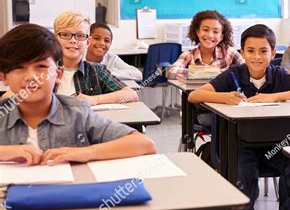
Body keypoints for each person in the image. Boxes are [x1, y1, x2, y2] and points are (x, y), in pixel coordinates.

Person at [189, 24, 290, 210]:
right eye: (250, 51)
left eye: (263, 51)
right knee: (244, 170)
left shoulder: (279, 75)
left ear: (273, 53)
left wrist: (274, 97)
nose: (257, 57)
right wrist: (225, 97)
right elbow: (195, 95)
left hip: (276, 149)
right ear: (242, 53)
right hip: (242, 148)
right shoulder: (234, 74)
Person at [0, 23, 156, 165]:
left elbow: (144, 144)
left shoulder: (77, 114)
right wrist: (5, 151)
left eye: (41, 66)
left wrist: (86, 152)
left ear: (58, 74)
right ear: (4, 77)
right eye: (20, 67)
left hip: (67, 193)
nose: (31, 76)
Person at [53, 10, 138, 105]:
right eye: (65, 35)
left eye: (80, 36)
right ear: (55, 39)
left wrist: (94, 99)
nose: (73, 40)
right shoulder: (43, 69)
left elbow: (131, 94)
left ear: (88, 42)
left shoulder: (96, 71)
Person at [166, 10, 243, 80]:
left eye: (215, 32)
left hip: (223, 95)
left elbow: (248, 69)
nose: (210, 35)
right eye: (205, 30)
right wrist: (205, 72)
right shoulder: (189, 55)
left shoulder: (229, 52)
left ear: (221, 37)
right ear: (198, 32)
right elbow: (171, 72)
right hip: (197, 95)